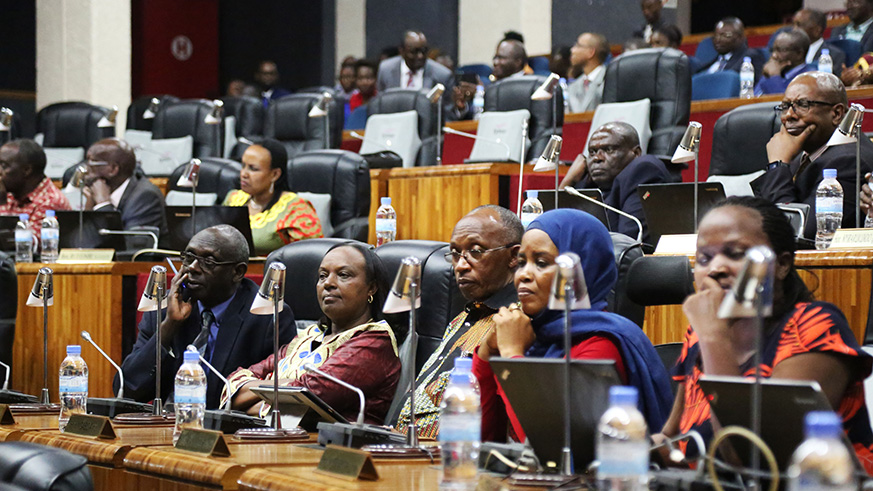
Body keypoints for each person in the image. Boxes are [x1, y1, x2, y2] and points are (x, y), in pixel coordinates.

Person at [655, 197, 873, 472]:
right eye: (703, 258)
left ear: (781, 264)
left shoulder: (814, 326)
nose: (715, 268)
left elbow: (756, 459)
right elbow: (674, 438)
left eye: (735, 254)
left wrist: (714, 339)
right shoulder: (700, 335)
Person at [473, 209, 673, 442]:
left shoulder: (600, 346)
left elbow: (551, 447)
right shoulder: (532, 334)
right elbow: (481, 439)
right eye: (521, 262)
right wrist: (487, 355)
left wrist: (511, 357)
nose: (523, 276)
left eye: (541, 262)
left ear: (582, 270)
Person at [117, 225, 296, 408]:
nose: (193, 268)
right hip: (168, 425)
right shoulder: (167, 306)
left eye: (208, 262)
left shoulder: (267, 316)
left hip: (228, 431)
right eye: (189, 258)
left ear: (238, 272)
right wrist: (168, 327)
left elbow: (279, 394)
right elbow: (127, 389)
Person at [223, 243, 401, 424]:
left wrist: (255, 399)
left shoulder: (374, 342)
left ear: (372, 288)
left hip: (333, 448)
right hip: (278, 441)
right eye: (322, 276)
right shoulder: (310, 335)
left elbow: (306, 399)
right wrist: (284, 388)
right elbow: (233, 384)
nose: (328, 283)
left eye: (343, 275)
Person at [394, 205, 523, 438]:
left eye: (476, 251)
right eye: (455, 253)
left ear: (514, 256)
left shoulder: (516, 323)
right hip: (402, 449)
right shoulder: (461, 318)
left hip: (453, 459)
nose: (461, 266)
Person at [752, 72, 873, 238]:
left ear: (836, 114)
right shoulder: (801, 151)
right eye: (785, 106)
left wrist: (777, 165)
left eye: (802, 105)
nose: (789, 115)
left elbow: (795, 234)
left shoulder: (849, 160)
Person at [558, 122, 672, 244]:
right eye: (592, 152)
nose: (597, 158)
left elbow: (628, 242)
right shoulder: (585, 184)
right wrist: (568, 181)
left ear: (636, 153)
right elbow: (551, 231)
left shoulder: (643, 171)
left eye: (609, 150)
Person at [223, 139, 323, 256]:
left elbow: (310, 256)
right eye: (243, 166)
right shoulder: (233, 198)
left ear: (275, 174)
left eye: (253, 169)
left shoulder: (296, 208)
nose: (244, 174)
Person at [83, 138, 167, 237]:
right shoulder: (97, 195)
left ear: (113, 169)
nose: (85, 170)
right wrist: (89, 209)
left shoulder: (145, 197)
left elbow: (128, 245)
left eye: (92, 163)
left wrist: (103, 204)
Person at [0, 139, 70, 237]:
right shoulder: (11, 192)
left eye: (3, 166)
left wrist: (1, 204)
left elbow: (19, 244)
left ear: (27, 170)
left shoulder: (51, 201)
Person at [376, 30, 455, 111]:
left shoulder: (442, 75)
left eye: (423, 51)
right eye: (414, 51)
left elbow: (448, 112)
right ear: (402, 51)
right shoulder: (386, 69)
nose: (420, 56)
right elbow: (381, 103)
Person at [452, 39, 528, 120]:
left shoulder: (529, 86)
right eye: (495, 58)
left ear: (518, 62)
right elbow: (477, 117)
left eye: (501, 58)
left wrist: (483, 94)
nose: (495, 62)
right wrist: (463, 107)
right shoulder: (489, 85)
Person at [697, 17, 766, 84]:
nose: (718, 40)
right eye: (715, 36)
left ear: (740, 37)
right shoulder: (711, 64)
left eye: (725, 35)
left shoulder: (751, 57)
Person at [755, 30, 814, 96]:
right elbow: (754, 97)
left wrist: (774, 76)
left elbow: (783, 102)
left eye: (781, 50)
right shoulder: (774, 71)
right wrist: (767, 76)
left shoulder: (808, 78)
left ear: (799, 54)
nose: (774, 55)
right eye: (773, 50)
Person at [793, 9, 846, 77]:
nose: (794, 29)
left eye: (799, 25)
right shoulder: (791, 53)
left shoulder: (835, 55)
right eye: (794, 24)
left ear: (817, 30)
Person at [566, 33, 610, 113]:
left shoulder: (609, 81)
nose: (572, 50)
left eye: (578, 46)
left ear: (591, 52)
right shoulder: (572, 87)